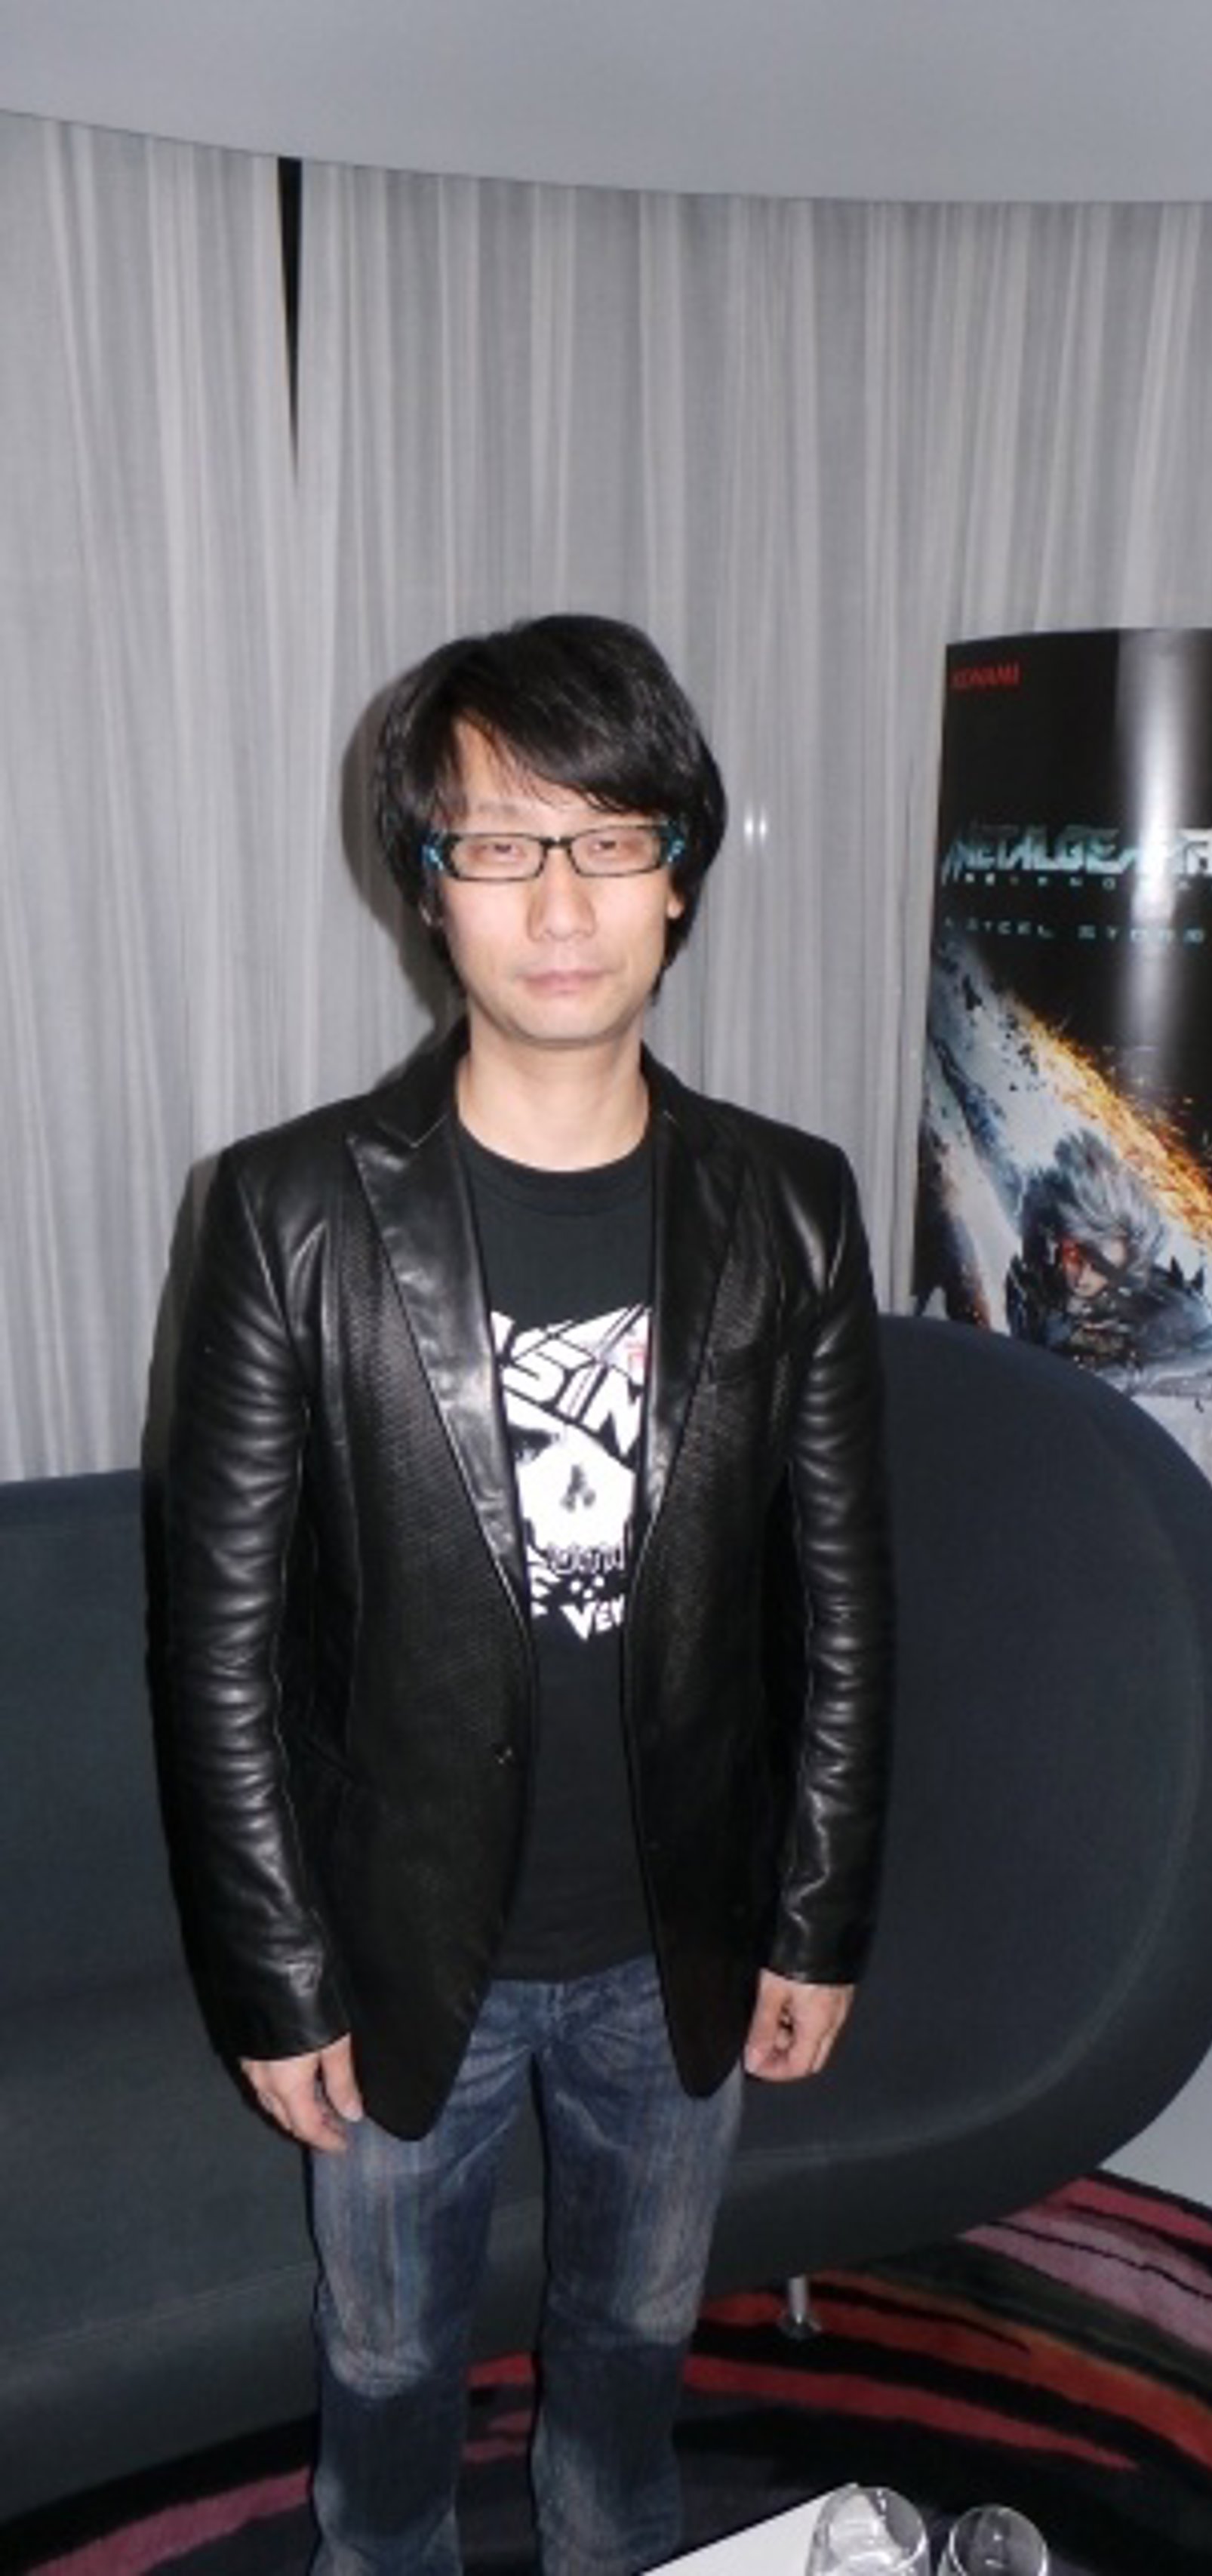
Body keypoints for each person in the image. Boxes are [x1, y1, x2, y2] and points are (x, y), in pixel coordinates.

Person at [164, 614, 894, 2576]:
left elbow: (842, 1603)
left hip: (681, 1931)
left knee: (634, 2344)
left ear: (680, 872)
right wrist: (277, 1973)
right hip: (405, 1945)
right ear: (428, 885)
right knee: (387, 2359)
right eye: (499, 843)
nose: (559, 902)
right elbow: (217, 1648)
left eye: (610, 837)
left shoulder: (793, 1204)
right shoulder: (291, 1213)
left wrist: (819, 1917)